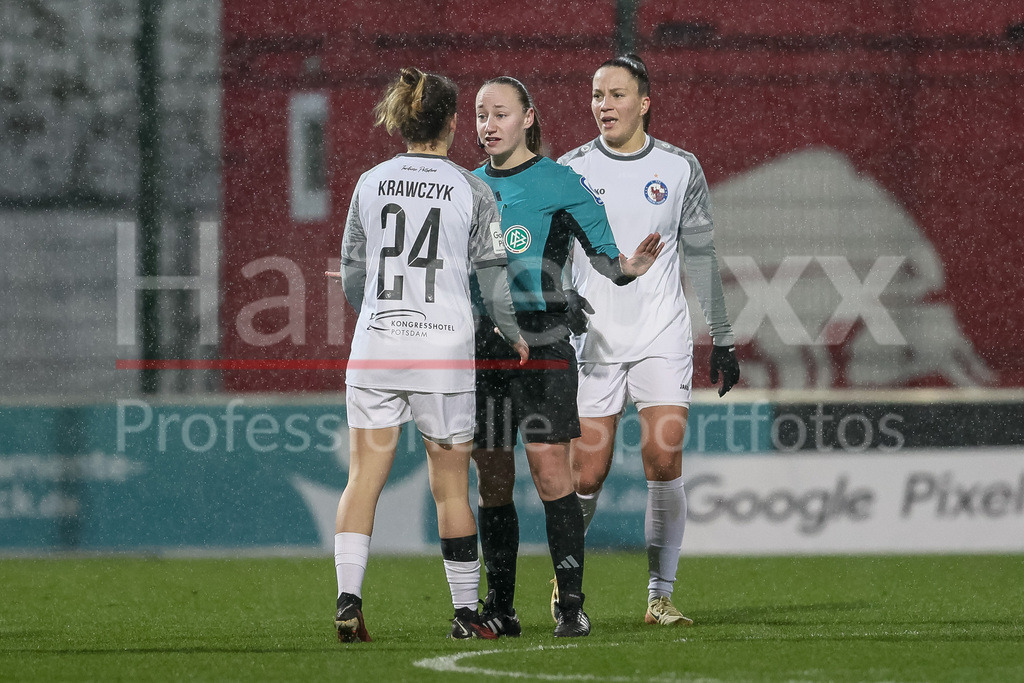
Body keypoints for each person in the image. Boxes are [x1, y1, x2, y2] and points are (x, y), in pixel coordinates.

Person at [327, 67, 527, 643]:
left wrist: (377, 314)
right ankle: (466, 614)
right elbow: (491, 274)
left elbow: (354, 273)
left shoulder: (371, 182)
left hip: (377, 347)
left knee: (362, 479)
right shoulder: (472, 188)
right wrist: (510, 329)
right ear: (454, 123)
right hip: (442, 350)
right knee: (451, 487)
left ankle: (348, 601)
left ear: (405, 121)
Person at [470, 76, 664, 638]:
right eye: (482, 115)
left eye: (500, 114)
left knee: (552, 472)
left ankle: (571, 605)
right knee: (493, 481)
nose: (488, 125)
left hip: (545, 343)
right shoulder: (466, 187)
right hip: (484, 346)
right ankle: (501, 607)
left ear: (528, 118)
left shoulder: (561, 183)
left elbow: (605, 261)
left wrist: (625, 268)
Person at [558, 54, 741, 627]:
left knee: (663, 459)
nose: (603, 106)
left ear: (644, 102)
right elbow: (549, 251)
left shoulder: (681, 168)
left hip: (662, 333)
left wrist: (725, 339)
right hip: (594, 338)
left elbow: (703, 254)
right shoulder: (569, 170)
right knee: (587, 473)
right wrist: (559, 301)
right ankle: (567, 582)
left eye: (615, 95)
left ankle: (659, 597)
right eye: (596, 96)